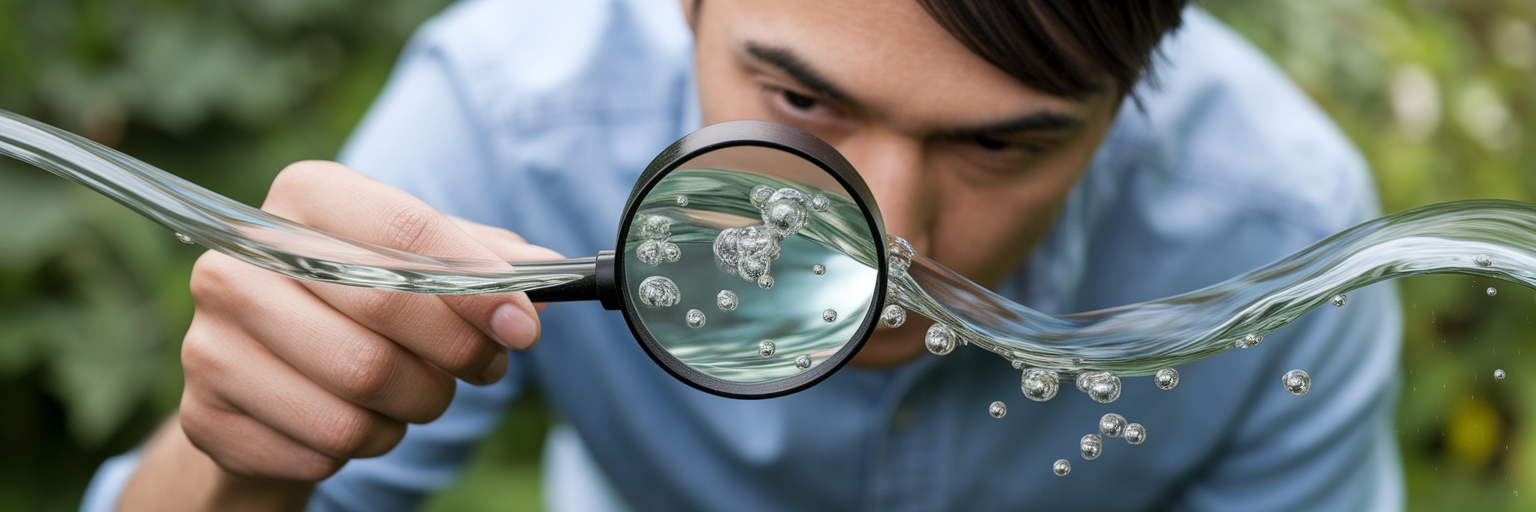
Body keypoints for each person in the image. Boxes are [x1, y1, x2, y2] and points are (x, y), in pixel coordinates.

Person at [81, 0, 1405, 510]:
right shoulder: (510, 118)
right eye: (803, 105)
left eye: (1000, 148)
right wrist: (229, 458)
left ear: (1132, 101)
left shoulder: (1283, 238)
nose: (887, 247)